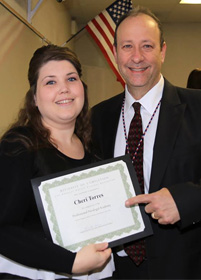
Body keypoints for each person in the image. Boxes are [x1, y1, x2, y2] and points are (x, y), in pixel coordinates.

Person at [91, 5, 201, 279]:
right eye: (127, 46)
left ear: (162, 51)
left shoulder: (198, 107)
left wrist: (186, 200)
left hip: (184, 267)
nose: (137, 57)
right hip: (115, 268)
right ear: (115, 52)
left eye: (147, 46)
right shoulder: (98, 117)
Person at [0, 45, 113, 280]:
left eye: (71, 79)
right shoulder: (20, 145)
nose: (64, 88)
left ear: (82, 88)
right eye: (50, 82)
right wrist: (69, 263)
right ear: (34, 97)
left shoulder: (93, 148)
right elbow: (4, 229)